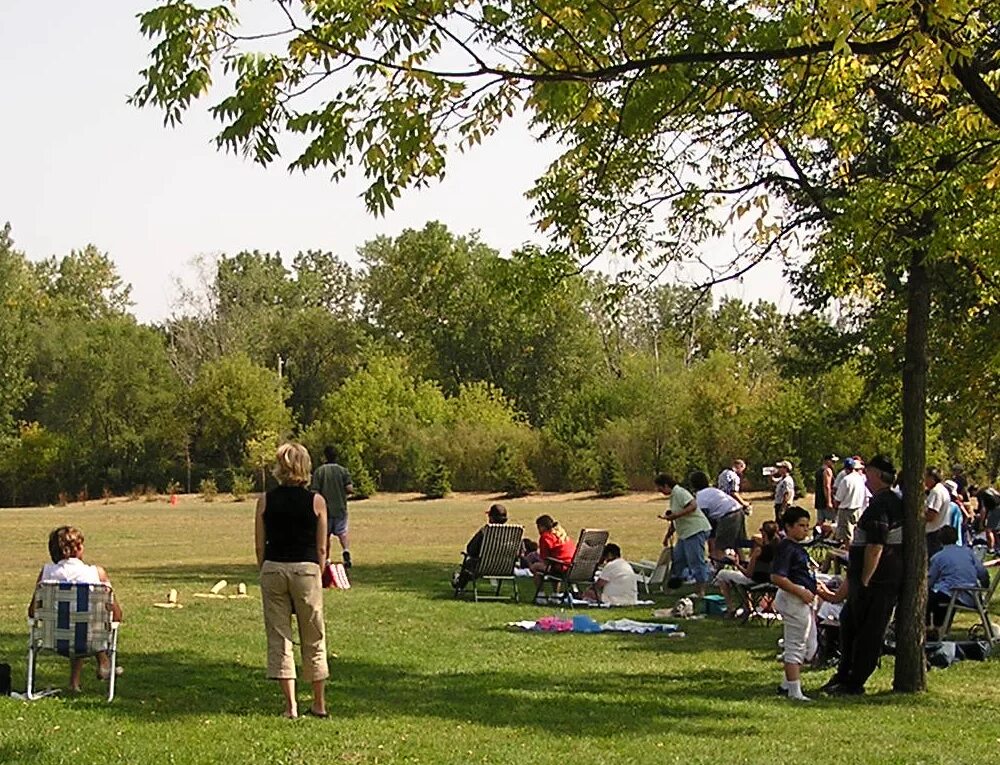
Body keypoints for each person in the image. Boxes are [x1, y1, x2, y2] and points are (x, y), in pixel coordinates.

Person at [256, 441, 329, 719]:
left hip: (274, 567)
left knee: (280, 637)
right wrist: (317, 571)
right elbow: (322, 547)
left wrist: (265, 568)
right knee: (314, 636)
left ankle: (291, 707)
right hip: (306, 569)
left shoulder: (265, 500)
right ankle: (319, 704)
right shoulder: (316, 501)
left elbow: (260, 545)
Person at [821, 454, 904, 696]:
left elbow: (875, 545)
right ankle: (843, 675)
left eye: (867, 471)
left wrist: (866, 578)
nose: (864, 475)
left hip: (877, 582)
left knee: (868, 633)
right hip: (865, 580)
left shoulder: (883, 503)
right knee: (849, 625)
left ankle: (854, 682)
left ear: (877, 474)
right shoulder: (883, 500)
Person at [27, 526, 124, 693]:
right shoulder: (96, 574)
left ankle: (74, 683)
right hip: (89, 641)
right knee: (83, 621)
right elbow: (117, 615)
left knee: (70, 619)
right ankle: (104, 663)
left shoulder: (47, 573)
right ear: (78, 548)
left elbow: (32, 611)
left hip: (55, 640)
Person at [771, 506, 835, 701]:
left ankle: (786, 683)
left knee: (811, 646)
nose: (805, 530)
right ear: (788, 527)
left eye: (807, 526)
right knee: (795, 645)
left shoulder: (798, 548)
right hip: (794, 600)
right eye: (800, 526)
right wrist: (800, 591)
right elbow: (777, 577)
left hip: (805, 600)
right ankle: (794, 691)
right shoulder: (786, 548)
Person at [656, 473, 712, 597]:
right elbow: (675, 519)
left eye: (660, 488)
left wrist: (676, 515)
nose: (659, 491)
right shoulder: (673, 496)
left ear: (666, 485)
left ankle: (701, 591)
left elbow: (693, 505)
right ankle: (672, 588)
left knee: (696, 561)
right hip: (685, 534)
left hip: (695, 530)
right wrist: (667, 536)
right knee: (678, 561)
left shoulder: (680, 492)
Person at [927, 525, 989, 628]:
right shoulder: (968, 552)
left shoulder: (938, 557)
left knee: (930, 598)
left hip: (954, 592)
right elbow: (982, 572)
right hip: (971, 593)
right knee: (943, 596)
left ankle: (930, 627)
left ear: (940, 539)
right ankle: (941, 628)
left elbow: (931, 580)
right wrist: (985, 586)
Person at [714, 521, 780, 616]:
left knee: (722, 574)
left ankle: (730, 608)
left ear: (764, 534)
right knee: (740, 581)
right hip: (773, 581)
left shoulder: (759, 551)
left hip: (756, 581)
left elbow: (748, 574)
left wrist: (737, 564)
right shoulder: (780, 548)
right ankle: (747, 606)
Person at [689, 470, 748, 565]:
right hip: (738, 510)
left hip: (729, 515)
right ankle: (743, 564)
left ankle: (720, 568)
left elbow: (704, 519)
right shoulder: (713, 490)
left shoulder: (701, 496)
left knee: (719, 547)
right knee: (736, 543)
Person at [311, 445, 354, 568]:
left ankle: (327, 559)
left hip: (325, 510)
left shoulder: (319, 471)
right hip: (340, 508)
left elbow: (315, 491)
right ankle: (346, 551)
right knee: (342, 533)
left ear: (325, 456)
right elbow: (349, 488)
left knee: (326, 535)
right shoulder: (343, 471)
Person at [452, 503, 508, 593]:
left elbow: (470, 549)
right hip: (505, 567)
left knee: (469, 564)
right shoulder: (511, 533)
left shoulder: (485, 531)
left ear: (491, 518)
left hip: (483, 566)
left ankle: (459, 584)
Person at [530, 515, 577, 600]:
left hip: (561, 568)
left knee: (535, 568)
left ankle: (541, 595)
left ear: (542, 527)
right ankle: (556, 594)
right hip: (573, 567)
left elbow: (545, 559)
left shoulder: (545, 537)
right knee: (552, 568)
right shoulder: (562, 534)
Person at [833, 457, 867, 546]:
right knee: (856, 533)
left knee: (847, 537)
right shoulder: (860, 478)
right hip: (858, 509)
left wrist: (835, 506)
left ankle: (848, 554)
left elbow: (838, 498)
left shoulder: (846, 480)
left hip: (846, 510)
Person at [924, 466, 951, 559]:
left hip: (933, 534)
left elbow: (931, 516)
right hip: (938, 532)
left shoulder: (936, 492)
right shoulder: (942, 490)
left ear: (932, 478)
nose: (924, 479)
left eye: (925, 476)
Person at [814, 454, 839, 524]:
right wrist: (829, 501)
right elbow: (827, 486)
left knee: (820, 521)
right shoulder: (828, 470)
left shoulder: (819, 470)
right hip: (826, 500)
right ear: (827, 461)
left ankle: (817, 534)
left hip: (819, 499)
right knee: (835, 520)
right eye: (833, 461)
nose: (834, 463)